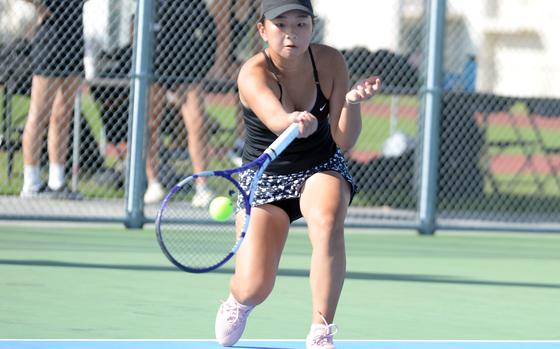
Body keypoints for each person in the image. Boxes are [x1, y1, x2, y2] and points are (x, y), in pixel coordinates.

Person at [213, 1, 381, 348]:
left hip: (319, 166)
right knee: (255, 286)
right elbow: (275, 118)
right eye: (281, 24)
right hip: (265, 177)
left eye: (301, 23)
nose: (292, 32)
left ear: (312, 26)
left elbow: (344, 140)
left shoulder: (330, 61)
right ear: (262, 30)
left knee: (328, 218)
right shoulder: (253, 73)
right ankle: (237, 301)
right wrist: (291, 120)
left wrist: (351, 103)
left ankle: (321, 330)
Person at [143, 0, 217, 206]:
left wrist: (199, 70)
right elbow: (138, 34)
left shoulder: (196, 5)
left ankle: (202, 186)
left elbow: (210, 36)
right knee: (150, 124)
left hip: (189, 73)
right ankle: (152, 183)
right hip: (155, 72)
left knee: (198, 125)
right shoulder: (151, 5)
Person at [20, 0, 86, 199]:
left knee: (63, 113)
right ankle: (31, 183)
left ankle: (57, 182)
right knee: (39, 113)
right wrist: (40, 7)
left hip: (74, 37)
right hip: (50, 36)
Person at [207, 0, 262, 167]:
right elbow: (223, 38)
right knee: (243, 79)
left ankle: (241, 141)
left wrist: (259, 65)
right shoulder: (223, 3)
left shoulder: (255, 4)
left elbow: (257, 40)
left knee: (253, 83)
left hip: (232, 58)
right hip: (209, 55)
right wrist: (220, 69)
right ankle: (239, 142)